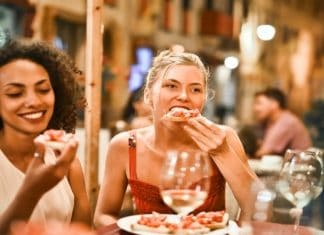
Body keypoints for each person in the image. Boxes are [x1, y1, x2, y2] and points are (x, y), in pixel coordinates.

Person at [94, 48, 259, 227]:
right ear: (148, 96)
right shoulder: (125, 145)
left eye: (195, 89)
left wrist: (222, 152)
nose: (183, 96)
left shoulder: (224, 137)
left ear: (204, 99)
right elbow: (103, 216)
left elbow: (258, 208)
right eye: (171, 86)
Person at [0, 39, 91, 234]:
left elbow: (82, 230)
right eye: (15, 93)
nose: (33, 101)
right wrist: (32, 191)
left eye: (43, 90)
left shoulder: (66, 162)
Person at [253, 87, 312, 158]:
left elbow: (264, 152)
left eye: (259, 103)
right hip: (289, 165)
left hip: (301, 167)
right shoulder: (272, 121)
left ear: (274, 104)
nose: (255, 108)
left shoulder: (286, 122)